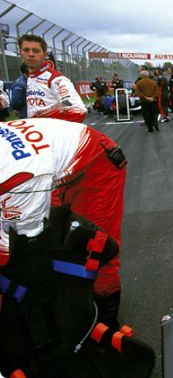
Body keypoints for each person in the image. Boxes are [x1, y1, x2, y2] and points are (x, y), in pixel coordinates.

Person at [0, 118, 126, 328]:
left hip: (96, 163)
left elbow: (23, 244)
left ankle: (105, 324)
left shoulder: (18, 176)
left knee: (95, 249)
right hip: (51, 162)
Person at [20, 34, 87, 122]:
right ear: (20, 52)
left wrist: (43, 122)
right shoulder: (30, 78)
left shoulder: (56, 80)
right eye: (26, 50)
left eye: (36, 51)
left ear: (45, 54)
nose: (31, 54)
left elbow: (79, 111)